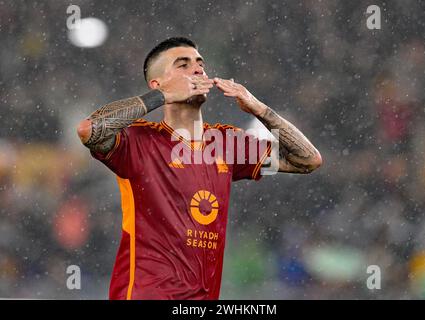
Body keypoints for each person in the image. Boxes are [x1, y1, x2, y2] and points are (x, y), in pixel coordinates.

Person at [76, 37, 322, 300]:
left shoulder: (226, 144)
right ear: (156, 83)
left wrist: (258, 108)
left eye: (200, 64)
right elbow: (89, 130)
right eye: (183, 64)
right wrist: (164, 95)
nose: (197, 70)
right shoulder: (139, 141)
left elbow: (307, 160)